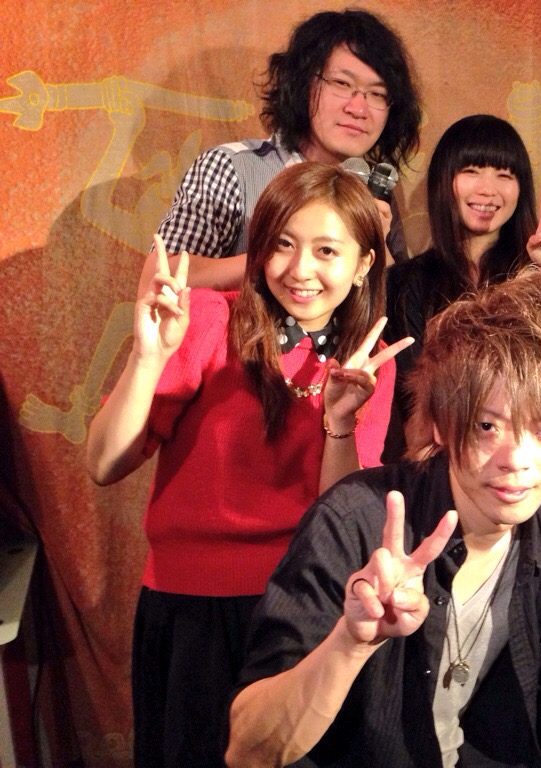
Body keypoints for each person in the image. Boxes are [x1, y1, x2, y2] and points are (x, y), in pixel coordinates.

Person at [86, 162, 410, 767]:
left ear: (365, 262)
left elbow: (338, 522)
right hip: (192, 610)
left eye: (326, 250)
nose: (300, 269)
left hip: (305, 608)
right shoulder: (209, 320)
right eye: (282, 244)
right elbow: (104, 464)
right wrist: (148, 358)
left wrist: (340, 419)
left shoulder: (371, 362)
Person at [226, 270, 541, 768]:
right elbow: (248, 750)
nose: (517, 460)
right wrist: (351, 641)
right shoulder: (352, 521)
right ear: (441, 424)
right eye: (487, 426)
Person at [141, 8, 422, 296]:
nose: (358, 108)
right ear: (302, 83)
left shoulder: (376, 188)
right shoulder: (233, 167)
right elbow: (159, 277)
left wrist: (378, 249)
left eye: (377, 94)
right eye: (342, 84)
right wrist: (279, 257)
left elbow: (398, 310)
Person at [383, 114, 541, 461]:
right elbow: (411, 404)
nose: (488, 189)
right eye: (471, 171)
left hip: (527, 460)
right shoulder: (406, 282)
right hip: (435, 464)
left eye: (504, 175)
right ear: (444, 181)